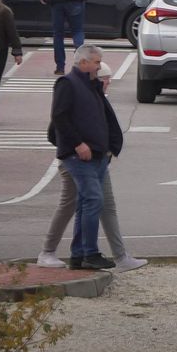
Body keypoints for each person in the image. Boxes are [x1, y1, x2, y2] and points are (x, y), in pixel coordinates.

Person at [38, 58, 147, 272]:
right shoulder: (77, 91)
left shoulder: (95, 96)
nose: (107, 84)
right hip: (78, 161)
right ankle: (52, 251)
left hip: (94, 160)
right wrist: (75, 148)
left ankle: (110, 256)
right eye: (105, 79)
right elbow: (56, 128)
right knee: (80, 204)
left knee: (95, 205)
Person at [48, 44, 122, 270]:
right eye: (97, 62)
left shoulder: (91, 85)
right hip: (78, 156)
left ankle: (78, 255)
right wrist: (78, 144)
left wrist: (108, 147)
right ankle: (90, 252)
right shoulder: (68, 84)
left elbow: (101, 117)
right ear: (84, 62)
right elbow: (59, 117)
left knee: (84, 203)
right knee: (93, 200)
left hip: (97, 155)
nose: (99, 66)